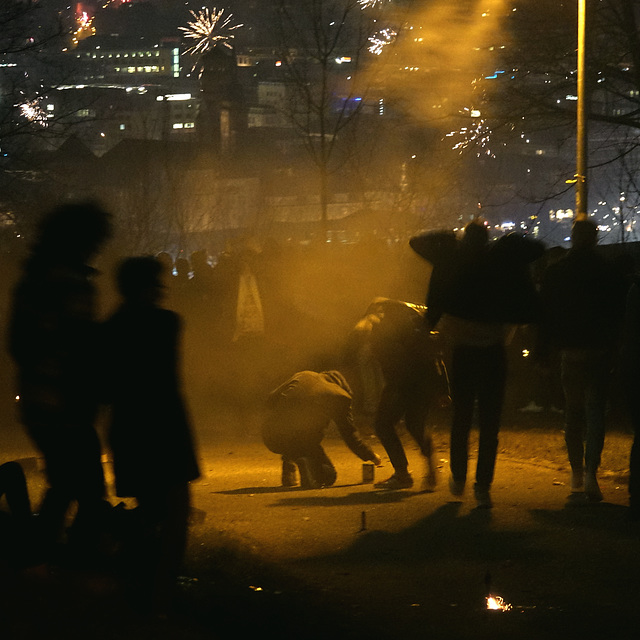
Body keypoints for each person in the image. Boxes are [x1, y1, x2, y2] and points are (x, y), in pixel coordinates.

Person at [410, 218, 544, 508]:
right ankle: (483, 486)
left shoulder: (452, 264)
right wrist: (506, 243)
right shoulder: (501, 265)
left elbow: (417, 243)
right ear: (486, 239)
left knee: (460, 418)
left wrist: (451, 239)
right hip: (494, 353)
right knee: (489, 423)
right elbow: (537, 248)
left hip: (462, 354)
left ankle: (458, 477)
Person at [7, 201, 112, 552]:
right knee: (82, 484)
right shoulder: (68, 282)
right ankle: (54, 557)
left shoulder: (34, 278)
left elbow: (18, 343)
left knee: (69, 482)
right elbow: (82, 343)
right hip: (64, 401)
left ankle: (45, 557)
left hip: (42, 400)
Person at [101, 256, 200, 614]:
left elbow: (105, 388)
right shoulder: (167, 323)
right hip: (165, 430)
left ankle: (135, 582)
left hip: (129, 431)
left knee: (150, 510)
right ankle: (162, 594)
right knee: (174, 514)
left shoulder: (110, 329)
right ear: (150, 286)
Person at [539, 218, 628, 502]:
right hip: (599, 351)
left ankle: (576, 471)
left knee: (573, 412)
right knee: (595, 413)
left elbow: (546, 316)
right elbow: (617, 315)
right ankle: (591, 473)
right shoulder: (607, 272)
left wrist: (543, 351)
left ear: (573, 237)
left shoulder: (557, 272)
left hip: (570, 351)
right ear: (595, 238)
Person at [350, 298, 449, 491]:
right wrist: (442, 389)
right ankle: (429, 470)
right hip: (421, 384)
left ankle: (402, 475)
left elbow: (399, 364)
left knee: (382, 424)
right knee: (415, 425)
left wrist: (394, 388)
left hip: (403, 384)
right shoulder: (413, 328)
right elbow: (435, 358)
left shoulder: (383, 328)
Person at [262, 370, 381, 488]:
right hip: (303, 440)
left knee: (293, 433)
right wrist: (371, 456)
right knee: (328, 476)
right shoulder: (340, 396)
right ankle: (306, 463)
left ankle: (292, 462)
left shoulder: (303, 375)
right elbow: (349, 435)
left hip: (272, 435)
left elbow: (270, 399)